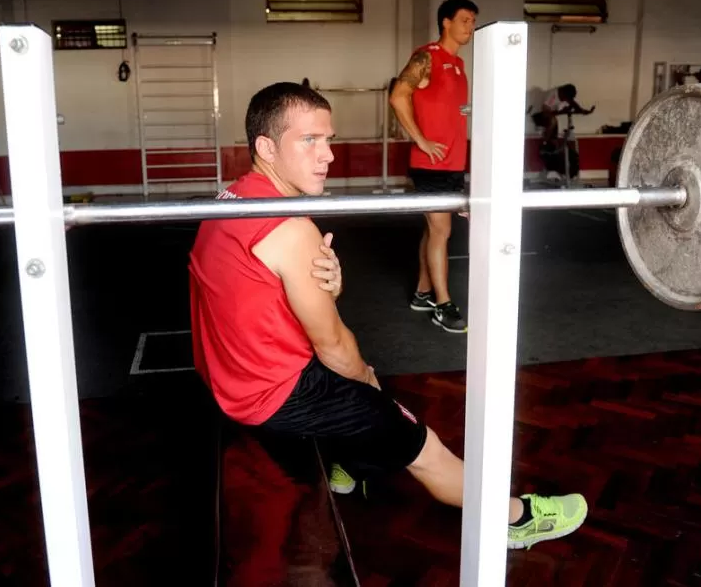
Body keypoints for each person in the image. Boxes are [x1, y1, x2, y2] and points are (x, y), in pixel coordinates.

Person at [189, 81, 589, 553]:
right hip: (272, 394)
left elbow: (252, 291)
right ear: (266, 147)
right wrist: (369, 385)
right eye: (309, 140)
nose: (328, 156)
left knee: (361, 389)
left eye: (328, 139)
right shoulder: (291, 228)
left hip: (233, 377)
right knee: (416, 438)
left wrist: (328, 285)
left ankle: (348, 467)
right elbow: (333, 346)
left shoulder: (228, 200)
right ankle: (515, 519)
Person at [389, 0, 478, 334]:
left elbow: (452, 112)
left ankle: (423, 293)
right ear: (446, 22)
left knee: (433, 229)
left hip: (454, 163)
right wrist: (421, 141)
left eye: (472, 21)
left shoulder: (459, 66)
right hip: (430, 164)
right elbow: (398, 96)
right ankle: (443, 304)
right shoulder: (426, 57)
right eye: (465, 20)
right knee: (442, 230)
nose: (470, 27)